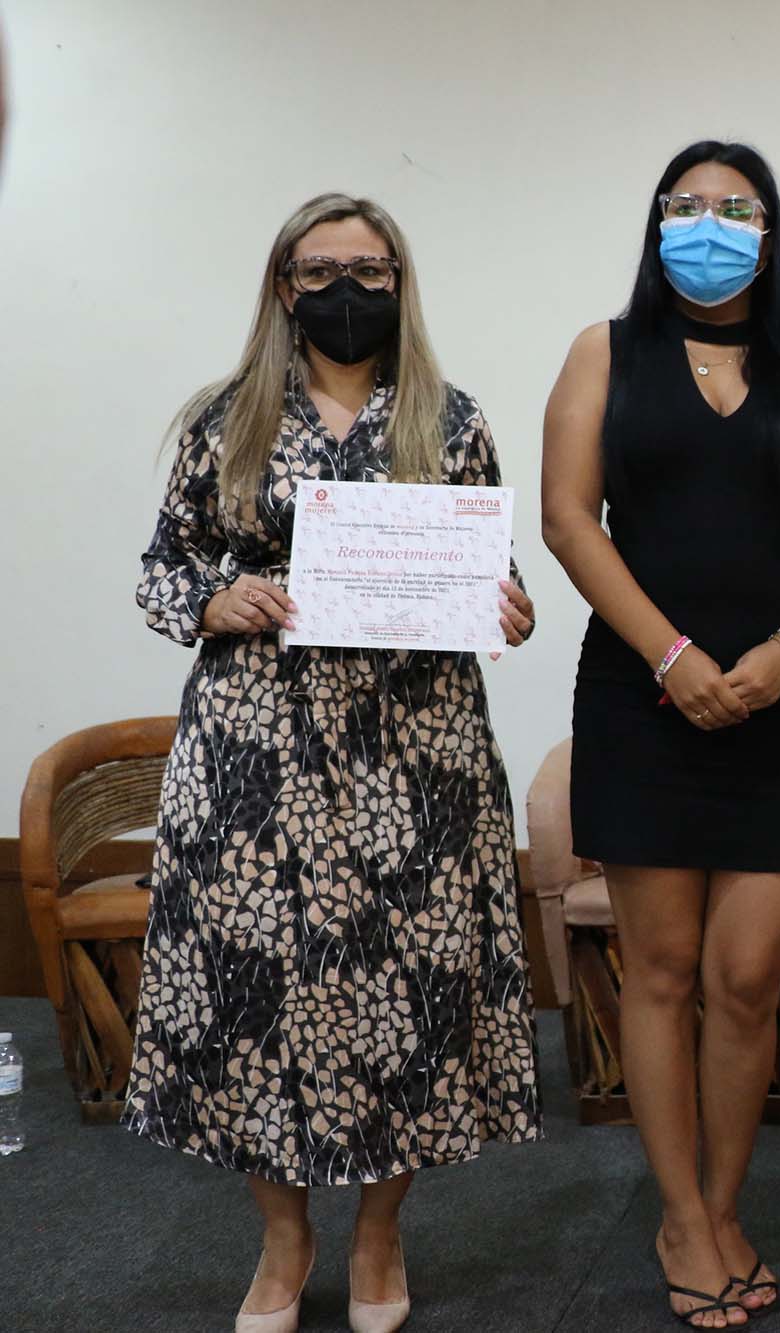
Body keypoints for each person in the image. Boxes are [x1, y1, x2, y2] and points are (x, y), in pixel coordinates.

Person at [125, 193, 542, 1333]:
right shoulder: (225, 420)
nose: (345, 290)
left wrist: (508, 605)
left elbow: (494, 571)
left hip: (418, 752)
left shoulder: (451, 420)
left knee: (410, 987)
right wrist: (216, 596)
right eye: (320, 271)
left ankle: (377, 1231)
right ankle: (282, 1236)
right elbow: (161, 567)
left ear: (400, 282)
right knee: (255, 991)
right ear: (283, 286)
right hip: (256, 750)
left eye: (369, 269)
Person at [541, 141, 780, 1329]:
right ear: (655, 225)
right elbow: (569, 518)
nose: (708, 224)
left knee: (746, 978)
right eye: (684, 206)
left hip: (778, 698)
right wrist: (670, 657)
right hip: (641, 697)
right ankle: (681, 1216)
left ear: (770, 233)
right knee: (663, 968)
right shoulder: (605, 351)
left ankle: (724, 1204)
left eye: (735, 207)